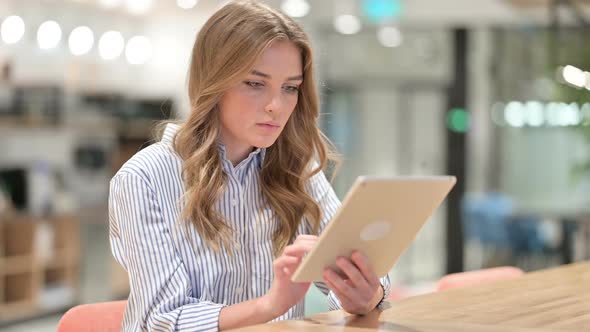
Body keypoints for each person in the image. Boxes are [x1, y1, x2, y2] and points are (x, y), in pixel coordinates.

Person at [108, 1, 390, 331]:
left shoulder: (295, 169)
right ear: (213, 81)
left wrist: (367, 294)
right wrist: (270, 306)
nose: (276, 106)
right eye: (255, 84)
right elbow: (163, 318)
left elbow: (361, 269)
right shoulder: (144, 178)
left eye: (290, 88)